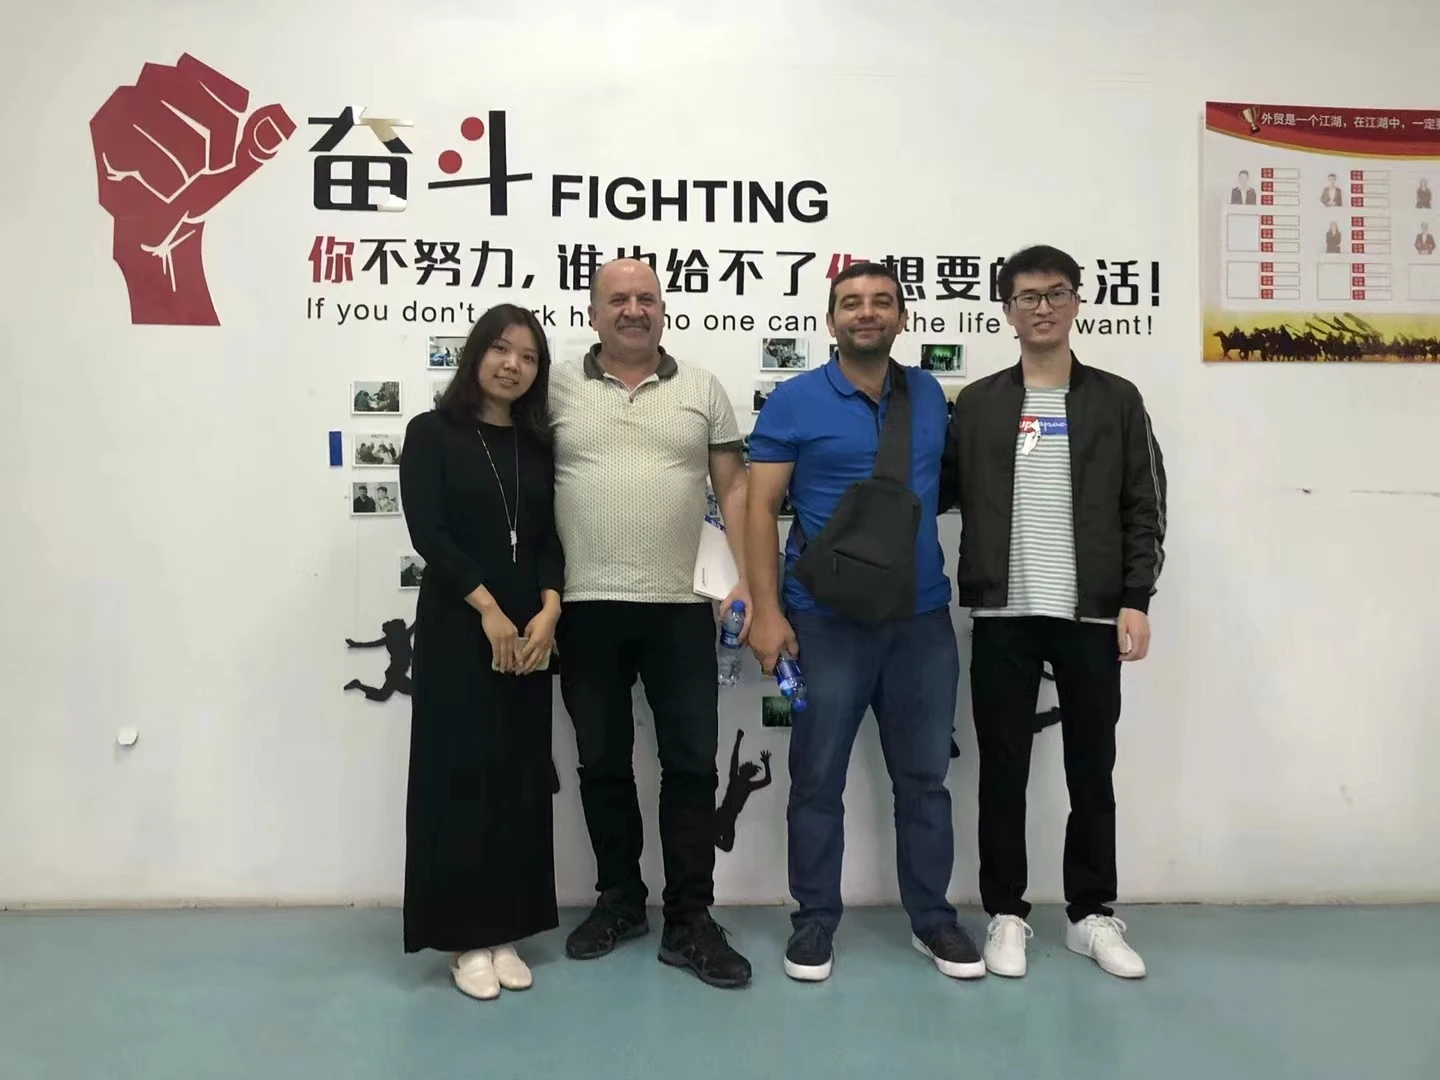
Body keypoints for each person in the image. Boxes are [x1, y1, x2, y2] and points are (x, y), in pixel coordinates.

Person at [745, 261, 985, 984]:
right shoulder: (793, 401)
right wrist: (767, 611)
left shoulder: (929, 396)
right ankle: (815, 920)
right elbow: (759, 509)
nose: (867, 312)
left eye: (882, 301)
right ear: (831, 320)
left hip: (921, 620)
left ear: (902, 318)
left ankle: (933, 919)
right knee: (817, 778)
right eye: (851, 302)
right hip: (825, 622)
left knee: (926, 780)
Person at [939, 245, 1167, 981]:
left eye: (1056, 293)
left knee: (1091, 771)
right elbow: (936, 489)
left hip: (1090, 616)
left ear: (1076, 303)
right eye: (1028, 296)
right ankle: (1006, 913)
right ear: (1006, 310)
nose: (1042, 307)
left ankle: (1090, 915)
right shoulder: (978, 404)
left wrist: (1135, 599)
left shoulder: (1117, 399)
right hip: (1003, 613)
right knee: (1001, 772)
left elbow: (1144, 505)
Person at [550, 257, 753, 989]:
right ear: (593, 312)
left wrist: (745, 583)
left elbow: (735, 492)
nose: (633, 310)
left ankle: (690, 919)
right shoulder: (556, 387)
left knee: (691, 767)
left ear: (663, 308)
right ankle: (620, 901)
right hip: (584, 607)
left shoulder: (701, 388)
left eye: (646, 298)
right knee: (602, 763)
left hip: (680, 608)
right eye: (617, 299)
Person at [398, 303, 565, 1001]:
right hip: (459, 627)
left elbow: (550, 538)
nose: (512, 365)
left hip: (529, 635)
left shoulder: (537, 444)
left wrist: (550, 609)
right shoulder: (431, 432)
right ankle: (464, 938)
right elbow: (429, 532)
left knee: (517, 779)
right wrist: (489, 609)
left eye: (528, 357)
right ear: (476, 354)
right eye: (501, 349)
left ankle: (506, 929)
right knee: (460, 776)